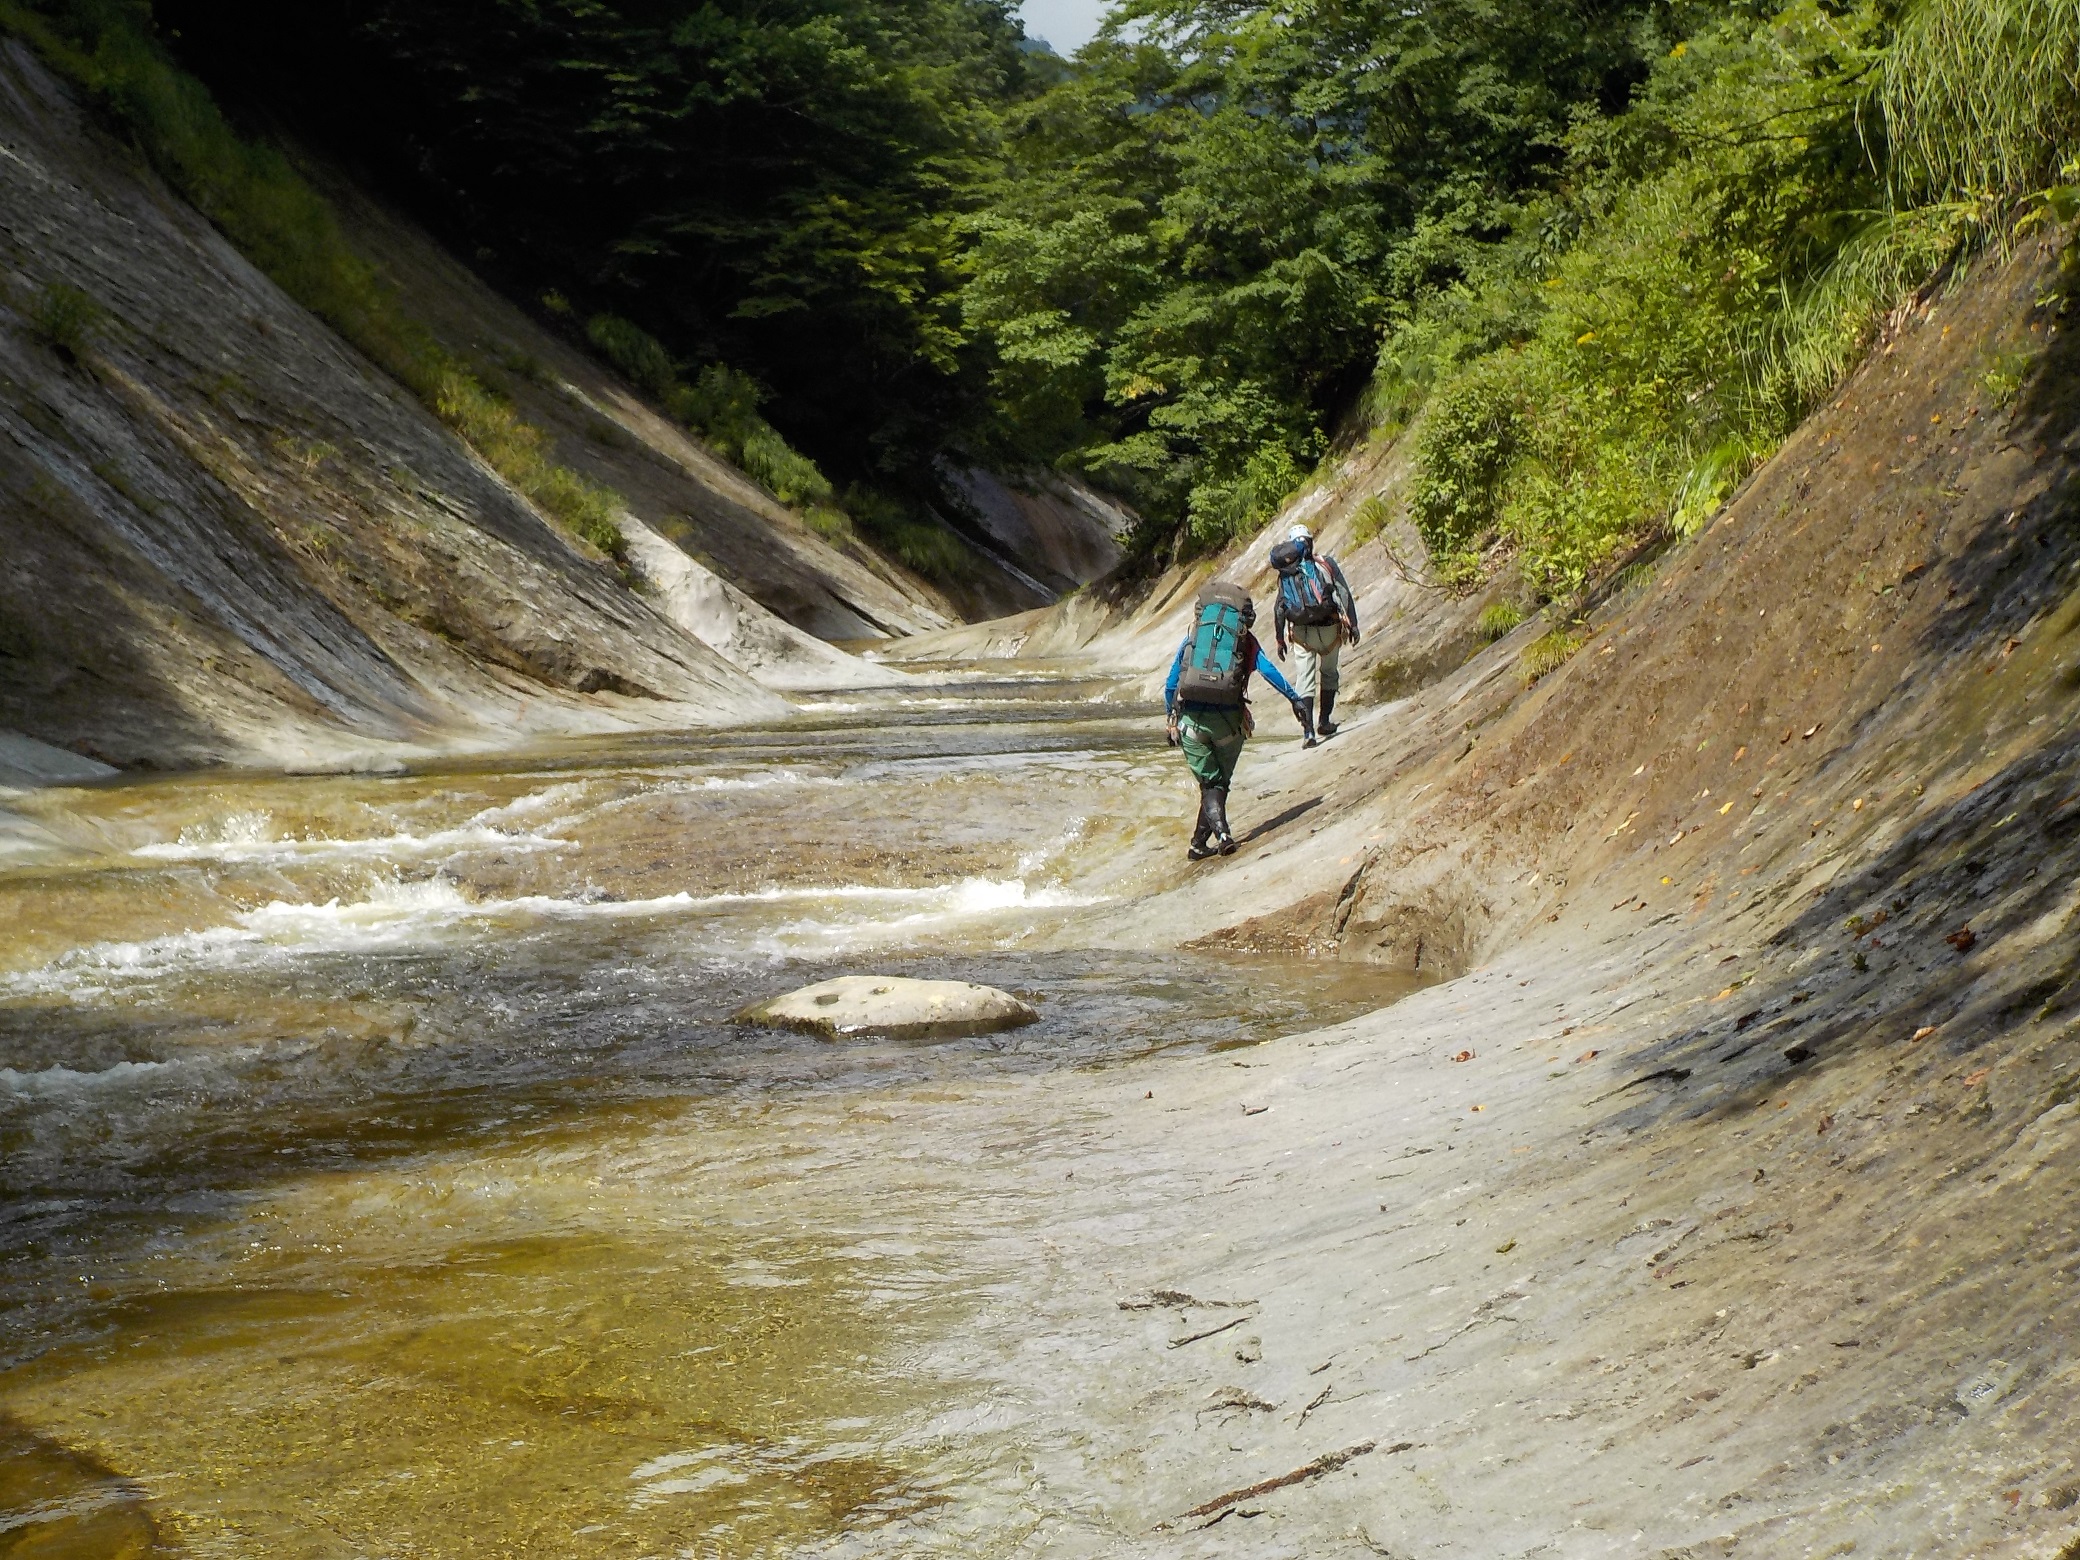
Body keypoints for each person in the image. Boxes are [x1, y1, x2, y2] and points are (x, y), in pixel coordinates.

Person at [1163, 582, 1312, 860]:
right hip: (1230, 724)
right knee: (1218, 784)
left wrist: (1170, 719)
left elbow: (1171, 683)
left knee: (1210, 784)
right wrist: (1295, 699)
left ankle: (1220, 834)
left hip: (1192, 722)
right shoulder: (1244, 640)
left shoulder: (1194, 637)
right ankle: (1199, 844)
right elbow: (1268, 672)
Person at [1270, 522, 1359, 739]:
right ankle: (1324, 722)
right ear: (1310, 541)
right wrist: (1353, 624)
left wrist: (1280, 638)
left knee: (1305, 679)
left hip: (1301, 633)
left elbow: (1280, 606)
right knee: (1329, 674)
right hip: (1329, 628)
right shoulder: (1325, 564)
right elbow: (1343, 592)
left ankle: (1308, 732)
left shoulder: (1286, 573)